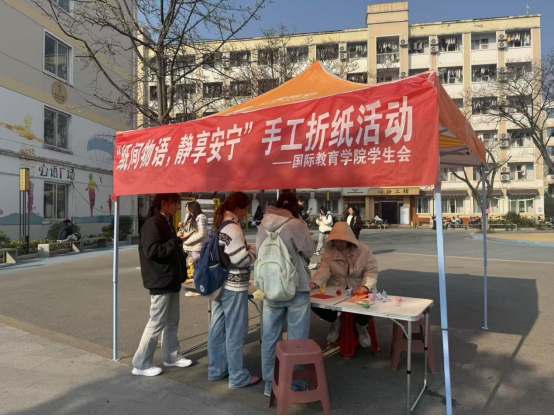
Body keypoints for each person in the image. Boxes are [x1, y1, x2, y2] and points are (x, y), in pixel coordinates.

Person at [256, 192, 316, 397]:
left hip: (270, 287)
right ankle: (296, 384)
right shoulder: (296, 225)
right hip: (296, 287)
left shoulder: (262, 225)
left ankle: (269, 384)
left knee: (269, 337)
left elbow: (259, 251)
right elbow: (309, 251)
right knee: (297, 339)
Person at [132, 194, 192, 377]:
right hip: (160, 279)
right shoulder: (153, 224)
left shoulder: (165, 222)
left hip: (170, 279)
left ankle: (171, 356)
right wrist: (177, 241)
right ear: (164, 204)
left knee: (172, 320)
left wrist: (177, 242)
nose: (177, 207)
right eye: (175, 203)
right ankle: (141, 363)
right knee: (156, 321)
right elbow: (153, 251)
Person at [208, 192, 260, 389]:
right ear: (238, 208)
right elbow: (241, 260)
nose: (246, 213)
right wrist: (252, 251)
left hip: (219, 285)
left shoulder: (219, 224)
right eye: (246, 209)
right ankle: (237, 376)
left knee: (217, 329)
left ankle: (216, 370)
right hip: (234, 286)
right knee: (235, 332)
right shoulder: (233, 228)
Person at [310, 223, 379, 348]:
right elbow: (324, 270)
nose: (338, 243)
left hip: (359, 286)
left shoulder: (364, 250)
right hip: (336, 287)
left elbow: (371, 271)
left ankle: (361, 326)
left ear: (349, 239)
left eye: (341, 240)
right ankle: (335, 322)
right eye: (335, 240)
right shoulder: (330, 251)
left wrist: (365, 286)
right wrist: (314, 283)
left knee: (373, 303)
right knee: (312, 302)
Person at [180, 201, 209, 297]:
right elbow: (187, 231)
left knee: (194, 268)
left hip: (196, 247)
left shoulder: (200, 218)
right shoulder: (190, 217)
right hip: (190, 247)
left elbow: (202, 233)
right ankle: (196, 288)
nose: (186, 209)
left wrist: (188, 241)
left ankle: (197, 289)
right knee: (191, 268)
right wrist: (182, 226)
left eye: (187, 207)